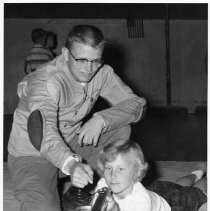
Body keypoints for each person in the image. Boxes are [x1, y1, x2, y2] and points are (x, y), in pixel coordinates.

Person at [8, 25, 146, 211]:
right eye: (81, 60)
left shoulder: (101, 72)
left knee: (121, 129)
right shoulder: (47, 81)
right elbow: (42, 132)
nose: (89, 69)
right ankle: (66, 177)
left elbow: (137, 104)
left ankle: (79, 191)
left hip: (70, 143)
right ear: (65, 54)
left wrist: (102, 119)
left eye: (95, 60)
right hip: (33, 153)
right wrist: (72, 165)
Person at [94, 140, 207, 211]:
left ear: (136, 173)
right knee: (176, 185)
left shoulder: (141, 202)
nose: (112, 175)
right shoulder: (104, 183)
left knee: (199, 194)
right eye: (108, 168)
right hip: (156, 190)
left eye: (121, 169)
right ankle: (197, 173)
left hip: (174, 205)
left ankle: (204, 177)